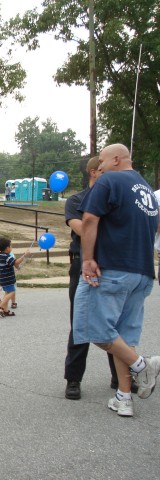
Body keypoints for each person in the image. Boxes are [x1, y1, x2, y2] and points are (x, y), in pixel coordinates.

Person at [73, 143, 160, 417]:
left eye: (102, 161)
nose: (98, 167)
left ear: (117, 159)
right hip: (143, 272)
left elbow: (89, 219)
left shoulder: (109, 179)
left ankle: (141, 366)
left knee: (91, 328)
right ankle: (124, 397)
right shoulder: (146, 189)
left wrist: (87, 259)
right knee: (124, 336)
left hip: (111, 269)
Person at [63, 156, 120, 400]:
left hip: (111, 264)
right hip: (81, 264)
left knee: (114, 322)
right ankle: (73, 379)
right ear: (95, 172)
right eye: (107, 172)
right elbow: (83, 228)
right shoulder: (76, 200)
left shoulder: (115, 200)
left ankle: (120, 377)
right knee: (80, 321)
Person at [0, 237, 29, 317]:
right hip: (8, 279)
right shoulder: (7, 257)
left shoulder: (0, 256)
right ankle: (0, 306)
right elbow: (15, 262)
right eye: (11, 246)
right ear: (7, 248)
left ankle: (6, 310)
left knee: (7, 293)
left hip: (3, 279)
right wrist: (24, 256)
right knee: (12, 292)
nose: (11, 248)